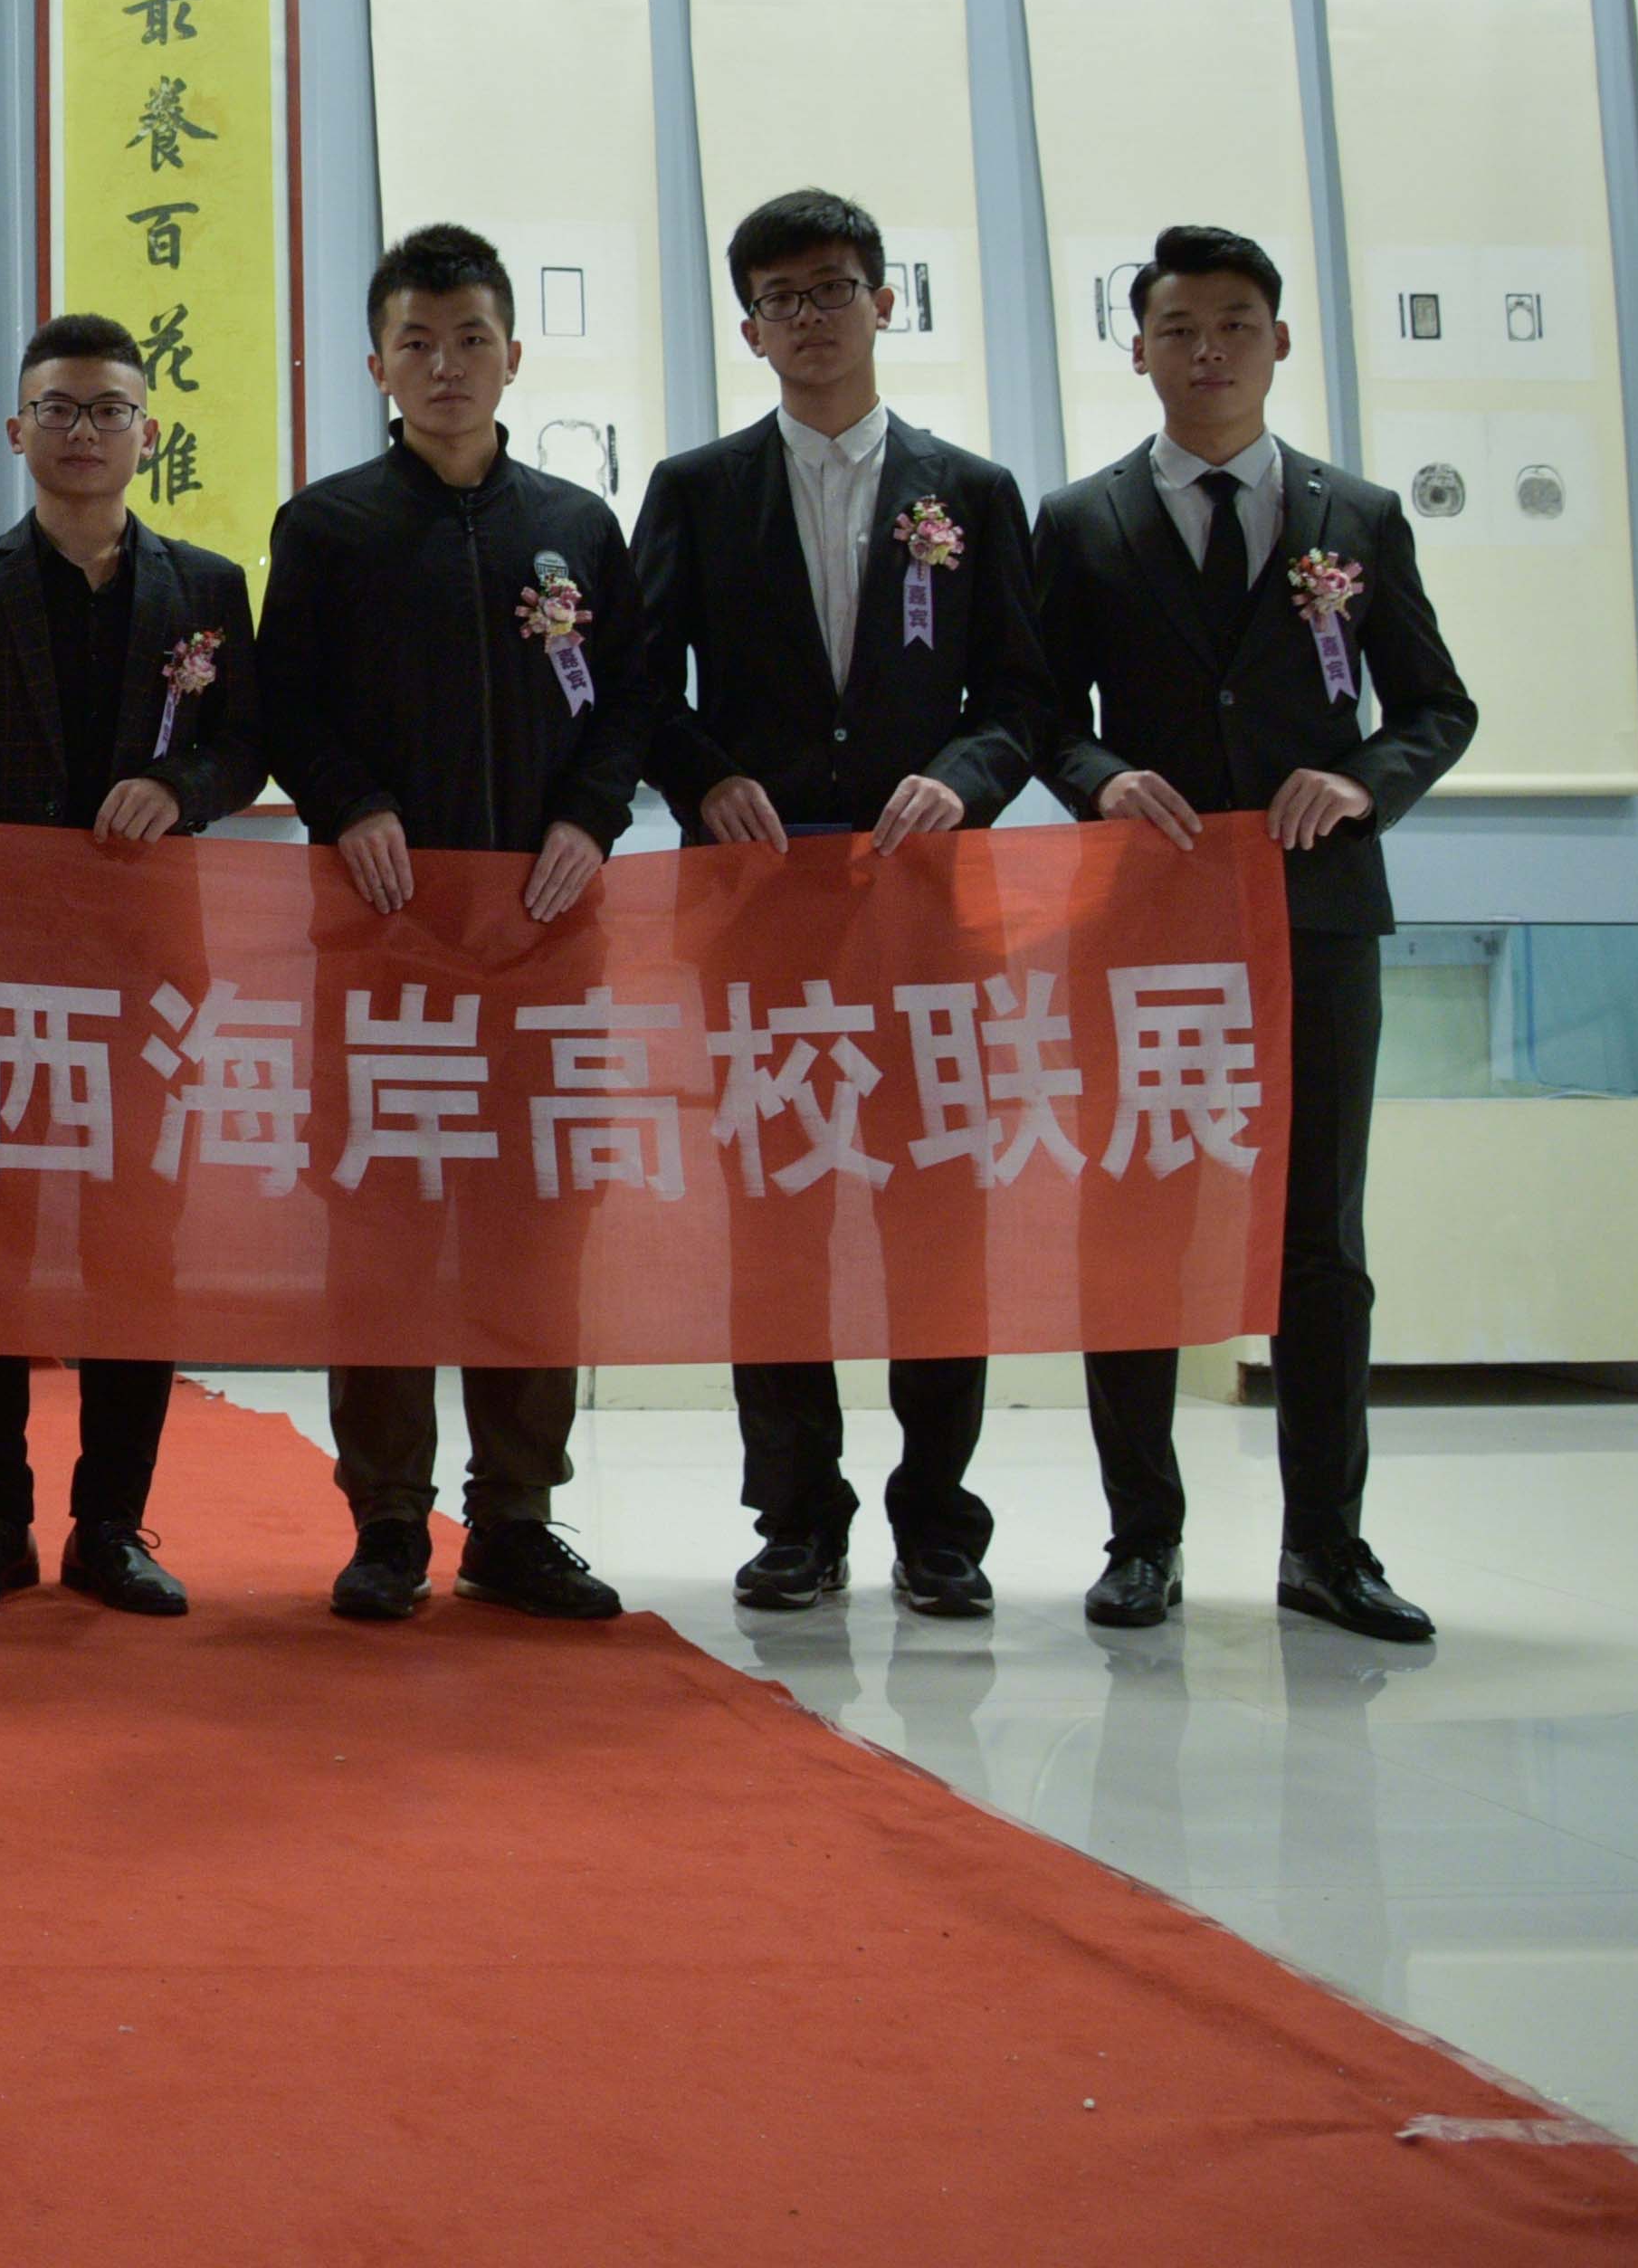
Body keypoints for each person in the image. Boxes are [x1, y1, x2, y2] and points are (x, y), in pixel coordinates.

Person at [1033, 224, 1478, 1644]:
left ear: (1279, 341)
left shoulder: (1360, 515)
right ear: (1139, 350)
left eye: (1235, 323)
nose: (1208, 349)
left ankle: (1327, 1548)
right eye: (1178, 327)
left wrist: (1365, 782)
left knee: (1318, 1236)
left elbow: (1436, 705)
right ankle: (1141, 1541)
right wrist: (1102, 779)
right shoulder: (1081, 520)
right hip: (1146, 915)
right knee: (1136, 1221)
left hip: (1315, 916)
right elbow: (1037, 711)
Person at [629, 187, 1055, 1623]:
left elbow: (1024, 697)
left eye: (834, 288)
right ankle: (796, 1515)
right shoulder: (697, 490)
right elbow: (641, 690)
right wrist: (707, 780)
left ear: (884, 302)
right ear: (750, 329)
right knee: (778, 1215)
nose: (811, 317)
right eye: (782, 298)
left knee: (938, 1213)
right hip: (763, 912)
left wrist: (961, 779)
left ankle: (940, 1520)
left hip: (927, 910)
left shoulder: (970, 493)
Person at [255, 222, 644, 1629]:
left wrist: (590, 816)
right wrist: (349, 801)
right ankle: (385, 1518)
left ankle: (517, 1516)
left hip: (547, 941)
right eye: (415, 343)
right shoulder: (328, 528)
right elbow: (279, 706)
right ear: (377, 365)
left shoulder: (578, 528)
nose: (445, 366)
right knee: (383, 1229)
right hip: (385, 944)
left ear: (513, 355)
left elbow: (630, 705)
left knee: (534, 1228)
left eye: (470, 338)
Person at [0, 313, 261, 1620]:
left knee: (133, 1247)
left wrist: (180, 785)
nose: (84, 431)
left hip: (143, 972)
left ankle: (112, 1525)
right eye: (59, 408)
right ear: (18, 431)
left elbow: (245, 747)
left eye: (109, 410)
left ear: (147, 434)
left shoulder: (206, 588)